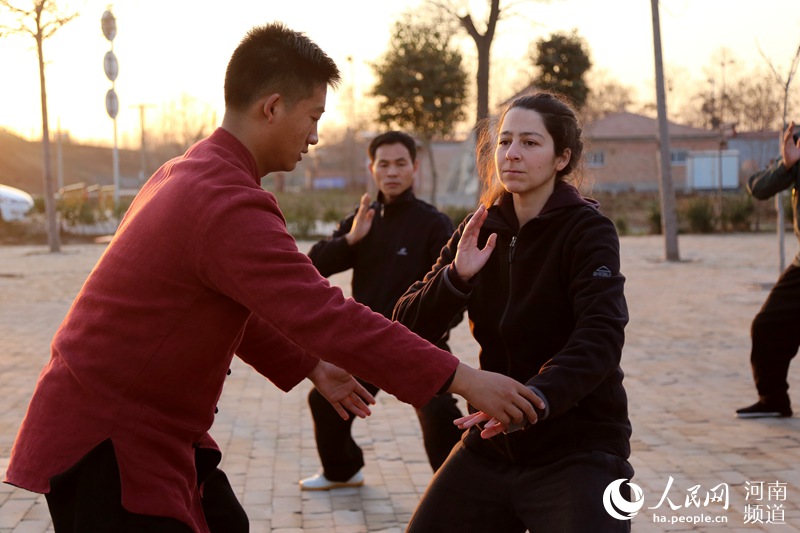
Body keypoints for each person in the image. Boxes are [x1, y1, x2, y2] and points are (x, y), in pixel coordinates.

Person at [3, 23, 544, 533]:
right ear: (272, 107)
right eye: (313, 116)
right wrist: (466, 380)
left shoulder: (190, 172)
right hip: (110, 440)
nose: (315, 135)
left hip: (151, 433)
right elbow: (326, 314)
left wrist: (310, 364)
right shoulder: (223, 201)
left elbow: (244, 305)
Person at [393, 91, 633, 533]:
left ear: (562, 158)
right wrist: (455, 278)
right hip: (491, 447)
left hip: (576, 447)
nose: (513, 154)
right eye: (504, 142)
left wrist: (534, 400)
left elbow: (600, 337)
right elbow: (405, 326)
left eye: (530, 142)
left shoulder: (588, 231)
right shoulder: (480, 227)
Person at [299, 131, 463, 491]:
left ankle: (454, 489)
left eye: (400, 163)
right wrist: (351, 239)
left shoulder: (434, 224)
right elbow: (311, 268)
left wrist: (432, 334)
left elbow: (453, 296)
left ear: (414, 168)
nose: (392, 172)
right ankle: (342, 471)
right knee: (324, 399)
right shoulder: (363, 219)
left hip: (420, 342)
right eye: (383, 164)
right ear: (371, 169)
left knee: (439, 414)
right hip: (368, 341)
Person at [736, 121, 800, 419]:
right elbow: (759, 188)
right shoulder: (797, 144)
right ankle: (773, 399)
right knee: (767, 326)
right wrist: (786, 165)